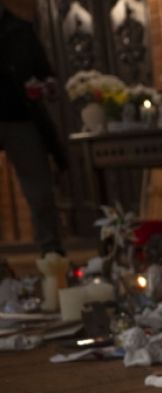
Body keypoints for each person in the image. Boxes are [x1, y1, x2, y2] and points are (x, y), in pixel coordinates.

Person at [0, 0, 67, 256]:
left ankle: (52, 256)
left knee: (39, 193)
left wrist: (46, 86)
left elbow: (46, 73)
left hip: (20, 118)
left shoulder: (20, 29)